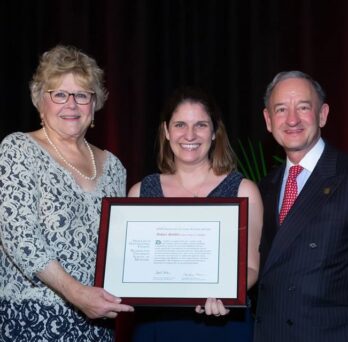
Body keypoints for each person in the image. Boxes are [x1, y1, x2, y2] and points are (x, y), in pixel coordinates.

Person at [0, 45, 134, 341]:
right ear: (40, 101)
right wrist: (77, 294)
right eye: (59, 94)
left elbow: (122, 247)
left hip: (97, 324)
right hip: (32, 320)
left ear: (94, 103)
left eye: (82, 95)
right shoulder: (18, 150)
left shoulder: (114, 167)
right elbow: (19, 237)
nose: (71, 105)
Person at [128, 86, 263, 341]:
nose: (190, 134)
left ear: (214, 132)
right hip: (156, 326)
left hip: (223, 324)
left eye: (200, 125)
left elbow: (252, 267)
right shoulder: (141, 192)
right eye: (180, 124)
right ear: (167, 131)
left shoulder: (243, 191)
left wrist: (226, 293)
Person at [254, 71, 348, 341]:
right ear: (268, 120)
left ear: (323, 114)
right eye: (281, 109)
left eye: (303, 107)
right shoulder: (264, 187)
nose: (292, 119)